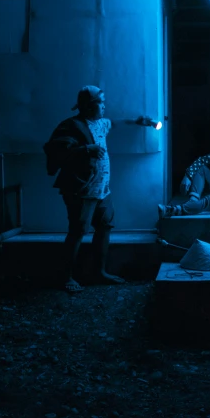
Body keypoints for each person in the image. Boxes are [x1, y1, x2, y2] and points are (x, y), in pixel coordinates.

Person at [44, 85, 156, 293]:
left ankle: (99, 272)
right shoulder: (72, 125)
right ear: (88, 106)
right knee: (77, 232)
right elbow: (54, 149)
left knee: (104, 228)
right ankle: (66, 276)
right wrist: (86, 149)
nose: (104, 107)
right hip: (82, 190)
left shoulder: (101, 124)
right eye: (100, 103)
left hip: (102, 189)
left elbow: (115, 123)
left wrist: (138, 121)